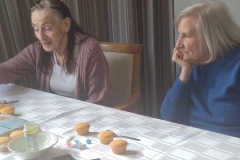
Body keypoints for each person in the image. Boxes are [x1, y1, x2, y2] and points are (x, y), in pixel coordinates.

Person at [0, 0, 115, 107]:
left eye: (47, 28)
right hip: (55, 114)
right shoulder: (37, 50)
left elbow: (98, 101)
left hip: (86, 117)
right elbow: (7, 70)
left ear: (66, 24)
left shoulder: (90, 50)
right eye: (36, 29)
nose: (40, 36)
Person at [160, 0, 240, 138]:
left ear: (211, 36)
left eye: (186, 36)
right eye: (179, 35)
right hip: (194, 141)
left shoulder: (236, 65)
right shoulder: (193, 62)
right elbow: (168, 118)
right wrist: (184, 73)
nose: (178, 45)